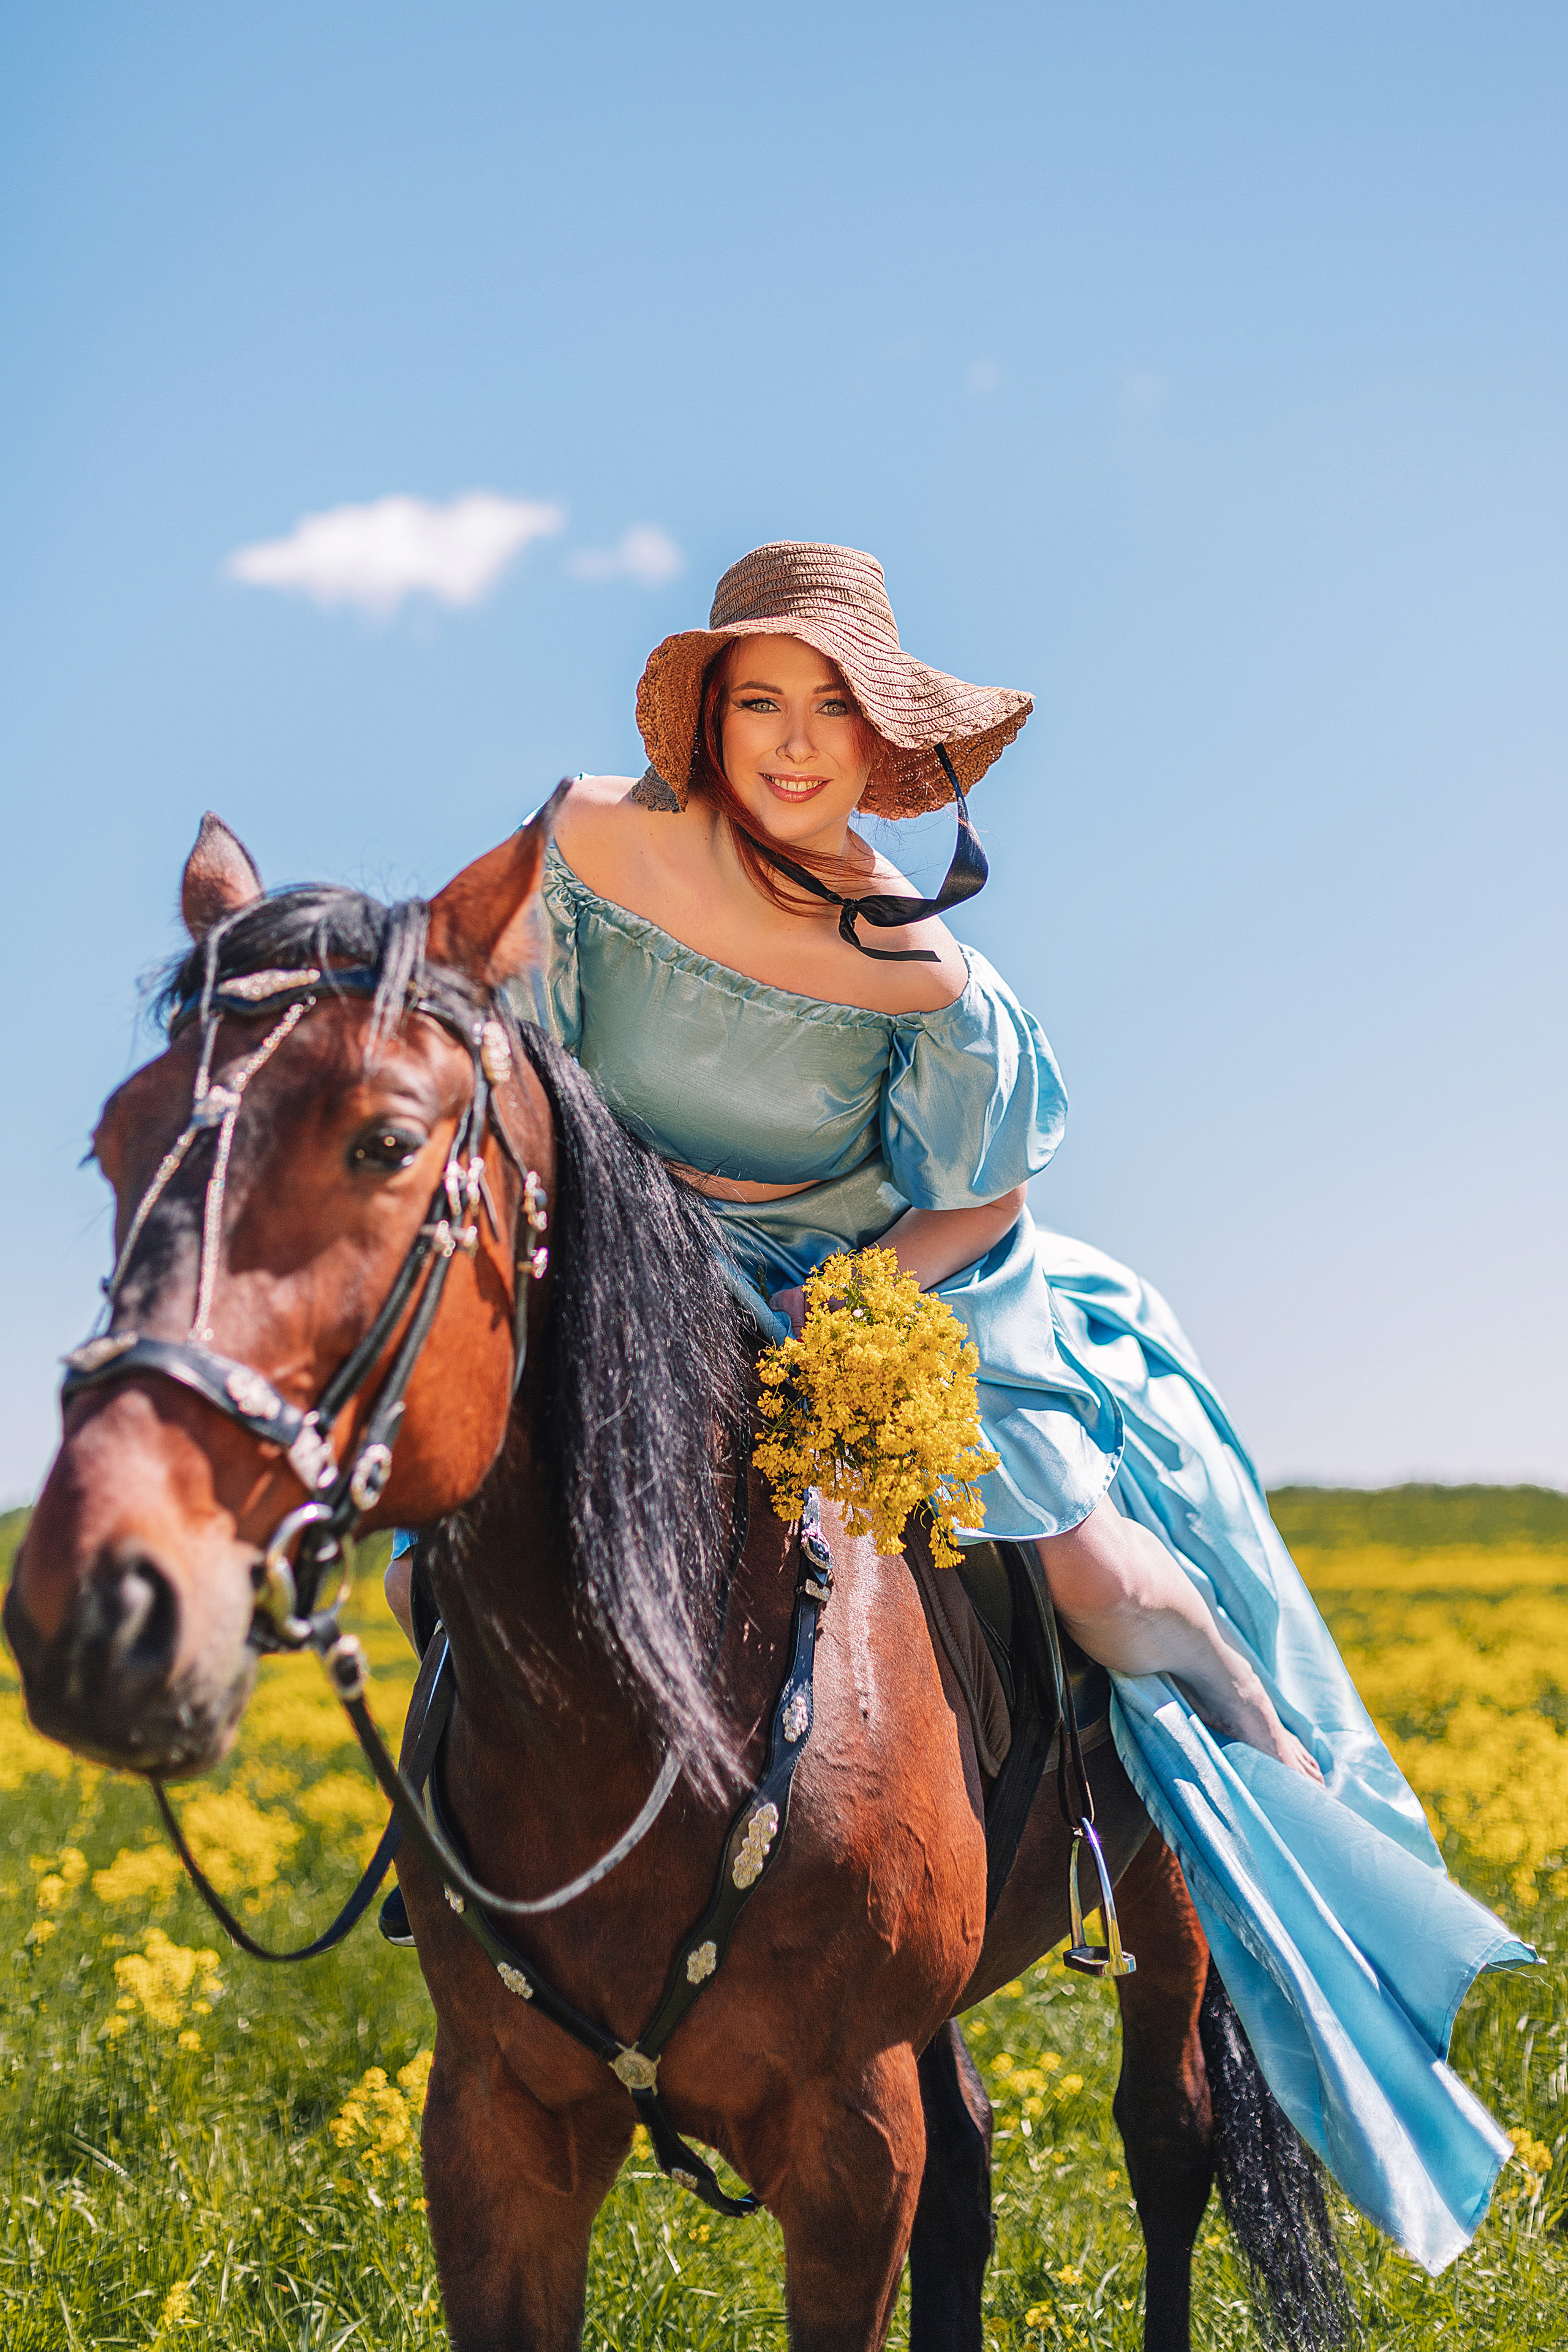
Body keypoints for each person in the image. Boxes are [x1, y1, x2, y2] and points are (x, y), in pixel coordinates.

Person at [412, 543, 1532, 2272]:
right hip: (625, 1276)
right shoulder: (590, 839)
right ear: (707, 720)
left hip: (866, 1277)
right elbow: (479, 1020)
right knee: (462, 1536)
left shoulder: (922, 968)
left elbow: (980, 1206)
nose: (793, 745)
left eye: (833, 714)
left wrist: (853, 1305)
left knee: (1078, 1562)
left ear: (890, 748)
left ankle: (1250, 1753)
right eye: (759, 703)